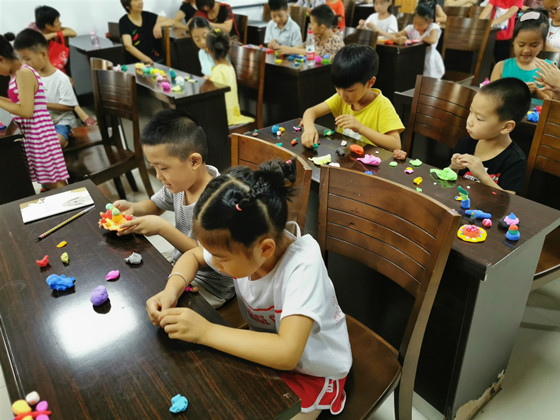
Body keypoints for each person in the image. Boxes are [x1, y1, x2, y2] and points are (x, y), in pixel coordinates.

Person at [146, 160, 352, 418]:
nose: (215, 263)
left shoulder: (303, 268)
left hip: (312, 369)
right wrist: (171, 290)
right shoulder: (244, 248)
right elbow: (194, 256)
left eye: (221, 258)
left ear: (264, 249)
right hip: (264, 353)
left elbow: (287, 353)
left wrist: (205, 332)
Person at [112, 109, 234, 308]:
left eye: (163, 168)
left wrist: (162, 228)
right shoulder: (179, 184)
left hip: (210, 284)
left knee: (152, 308)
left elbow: (206, 256)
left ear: (194, 161)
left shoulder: (220, 200)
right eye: (154, 168)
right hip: (180, 266)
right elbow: (156, 205)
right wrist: (134, 207)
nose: (158, 176)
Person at [301, 44, 404, 150]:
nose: (342, 95)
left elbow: (395, 144)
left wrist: (360, 128)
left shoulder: (382, 105)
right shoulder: (341, 98)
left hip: (369, 159)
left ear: (370, 83)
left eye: (350, 90)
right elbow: (311, 112)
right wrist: (309, 128)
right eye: (337, 88)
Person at [0, 33, 68, 191]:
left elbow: (26, 111)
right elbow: (18, 104)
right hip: (33, 133)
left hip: (40, 135)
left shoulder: (24, 73)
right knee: (48, 181)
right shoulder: (15, 73)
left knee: (56, 182)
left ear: (1, 59)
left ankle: (76, 204)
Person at [449, 78, 531, 194]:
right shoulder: (466, 143)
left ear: (506, 127)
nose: (470, 122)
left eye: (479, 118)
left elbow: (509, 200)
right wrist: (453, 167)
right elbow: (448, 181)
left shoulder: (514, 160)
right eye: (471, 112)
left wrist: (483, 176)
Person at [13, 29, 87, 149]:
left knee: (53, 143)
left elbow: (69, 106)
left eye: (27, 59)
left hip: (61, 123)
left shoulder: (61, 79)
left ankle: (66, 138)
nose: (23, 64)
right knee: (21, 146)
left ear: (43, 54)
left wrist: (40, 103)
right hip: (41, 124)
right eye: (20, 59)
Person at [29, 5, 95, 126]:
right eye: (57, 21)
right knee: (63, 81)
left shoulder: (49, 30)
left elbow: (72, 32)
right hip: (38, 74)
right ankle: (81, 113)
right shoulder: (31, 36)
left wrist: (53, 35)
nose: (60, 23)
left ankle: (79, 113)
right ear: (48, 25)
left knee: (63, 81)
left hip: (54, 71)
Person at [490, 9, 553, 104]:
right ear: (513, 41)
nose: (526, 50)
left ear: (543, 44)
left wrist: (537, 92)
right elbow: (491, 98)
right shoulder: (501, 67)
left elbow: (550, 103)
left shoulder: (547, 69)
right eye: (521, 45)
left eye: (534, 45)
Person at [206, 29, 254, 126]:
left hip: (224, 117)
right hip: (233, 113)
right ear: (228, 49)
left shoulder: (218, 71)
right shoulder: (229, 67)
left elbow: (213, 99)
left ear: (208, 50)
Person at [119, 0, 187, 65]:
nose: (140, 2)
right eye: (136, 0)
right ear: (127, 6)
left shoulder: (148, 16)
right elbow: (128, 45)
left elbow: (172, 22)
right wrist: (146, 59)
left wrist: (159, 24)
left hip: (156, 61)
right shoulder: (124, 21)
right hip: (137, 63)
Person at [392, 2, 445, 79]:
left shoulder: (433, 27)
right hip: (414, 58)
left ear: (430, 22)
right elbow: (395, 35)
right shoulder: (411, 28)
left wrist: (420, 39)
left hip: (429, 60)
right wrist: (398, 39)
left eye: (421, 25)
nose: (417, 27)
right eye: (415, 23)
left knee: (428, 81)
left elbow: (433, 40)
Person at [276, 5, 345, 58]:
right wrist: (283, 50)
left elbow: (317, 54)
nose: (310, 27)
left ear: (322, 27)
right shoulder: (317, 37)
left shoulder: (335, 40)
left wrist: (290, 50)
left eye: (312, 23)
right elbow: (303, 46)